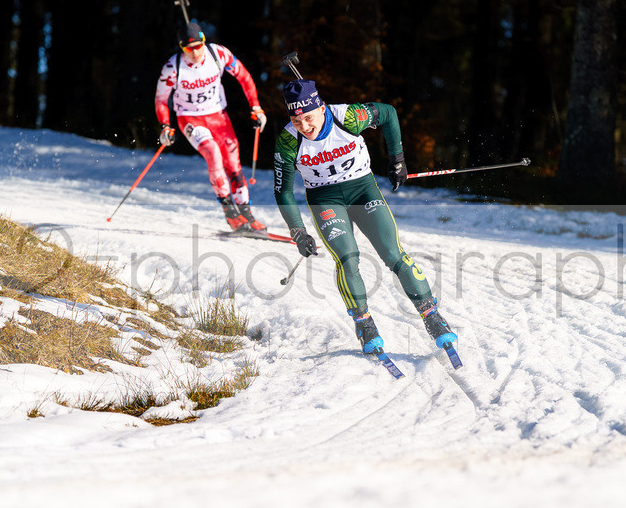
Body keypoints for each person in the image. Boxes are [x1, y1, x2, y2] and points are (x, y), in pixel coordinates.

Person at [272, 78, 457, 355]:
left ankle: (432, 315)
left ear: (321, 108)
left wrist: (397, 160)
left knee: (394, 254)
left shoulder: (347, 116)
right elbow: (283, 191)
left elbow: (388, 114)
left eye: (308, 118)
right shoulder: (288, 140)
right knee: (347, 258)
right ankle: (364, 324)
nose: (304, 127)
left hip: (363, 190)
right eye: (296, 121)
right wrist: (298, 231)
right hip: (325, 198)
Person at [154, 21, 268, 232]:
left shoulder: (218, 54)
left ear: (204, 42)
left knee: (234, 166)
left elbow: (244, 77)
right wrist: (165, 125)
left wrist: (256, 107)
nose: (195, 53)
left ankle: (247, 214)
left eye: (198, 46)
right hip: (190, 119)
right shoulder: (173, 67)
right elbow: (161, 100)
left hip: (218, 117)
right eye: (189, 48)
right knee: (212, 152)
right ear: (181, 47)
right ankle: (230, 213)